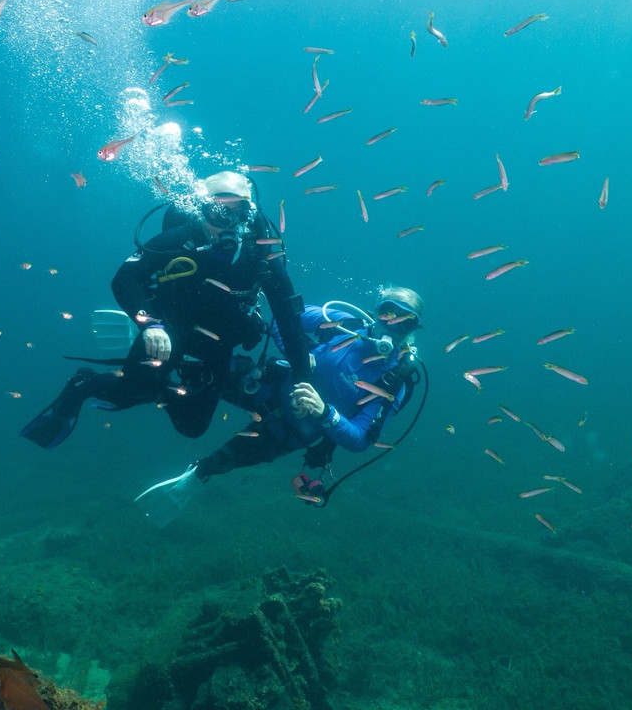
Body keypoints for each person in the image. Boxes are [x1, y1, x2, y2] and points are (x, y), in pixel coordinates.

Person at [21, 171, 313, 448]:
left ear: (248, 213)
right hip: (167, 331)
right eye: (217, 212)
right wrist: (148, 324)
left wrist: (303, 380)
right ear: (201, 210)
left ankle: (175, 383)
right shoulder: (182, 238)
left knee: (193, 428)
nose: (226, 223)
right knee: (129, 392)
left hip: (219, 344)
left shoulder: (262, 252)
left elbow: (288, 318)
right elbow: (125, 278)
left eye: (236, 212)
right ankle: (83, 383)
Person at [134, 288, 424, 524]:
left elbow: (361, 439)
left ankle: (193, 477)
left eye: (405, 320)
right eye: (388, 313)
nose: (393, 325)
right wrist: (300, 359)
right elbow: (280, 321)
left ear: (414, 328)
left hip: (290, 430)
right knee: (200, 367)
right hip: (269, 385)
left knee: (219, 460)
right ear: (376, 311)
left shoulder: (395, 379)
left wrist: (325, 412)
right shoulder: (345, 323)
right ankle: (153, 339)